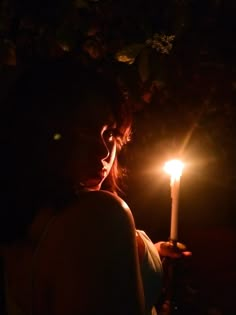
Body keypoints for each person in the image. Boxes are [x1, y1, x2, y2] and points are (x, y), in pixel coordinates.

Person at [0, 57, 185, 315]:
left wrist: (148, 254)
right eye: (82, 132)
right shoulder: (99, 217)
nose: (102, 152)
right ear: (38, 138)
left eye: (109, 133)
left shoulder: (30, 222)